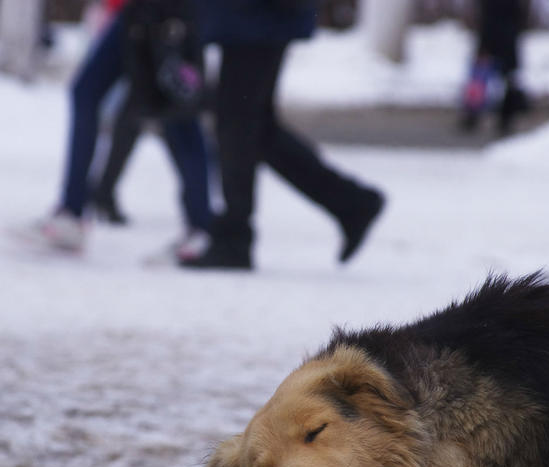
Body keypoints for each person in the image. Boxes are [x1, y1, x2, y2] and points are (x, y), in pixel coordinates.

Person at [180, 0, 385, 269]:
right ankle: (351, 202)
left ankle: (234, 238)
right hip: (254, 16)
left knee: (237, 124)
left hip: (254, 16)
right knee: (254, 128)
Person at [34, 0, 213, 260]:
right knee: (91, 93)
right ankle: (72, 210)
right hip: (139, 11)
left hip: (167, 12)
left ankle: (202, 227)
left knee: (178, 109)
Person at [459, 0, 528, 134]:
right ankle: (501, 118)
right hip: (505, 40)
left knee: (483, 80)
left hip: (494, 40)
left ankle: (478, 117)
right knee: (486, 80)